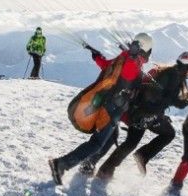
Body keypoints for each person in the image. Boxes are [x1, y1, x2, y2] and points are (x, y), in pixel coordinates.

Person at [49, 32, 153, 185]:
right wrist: (132, 56)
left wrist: (98, 57)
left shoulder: (124, 57)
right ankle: (61, 164)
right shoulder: (132, 61)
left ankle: (87, 165)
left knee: (111, 138)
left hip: (110, 105)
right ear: (146, 49)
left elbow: (107, 67)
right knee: (97, 143)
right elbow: (128, 74)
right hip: (112, 109)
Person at [93, 51, 188, 181]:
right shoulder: (173, 75)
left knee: (132, 142)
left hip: (141, 112)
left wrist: (161, 112)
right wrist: (183, 102)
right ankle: (141, 156)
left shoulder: (171, 73)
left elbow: (162, 96)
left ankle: (106, 170)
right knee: (167, 134)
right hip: (145, 113)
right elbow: (166, 98)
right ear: (186, 66)